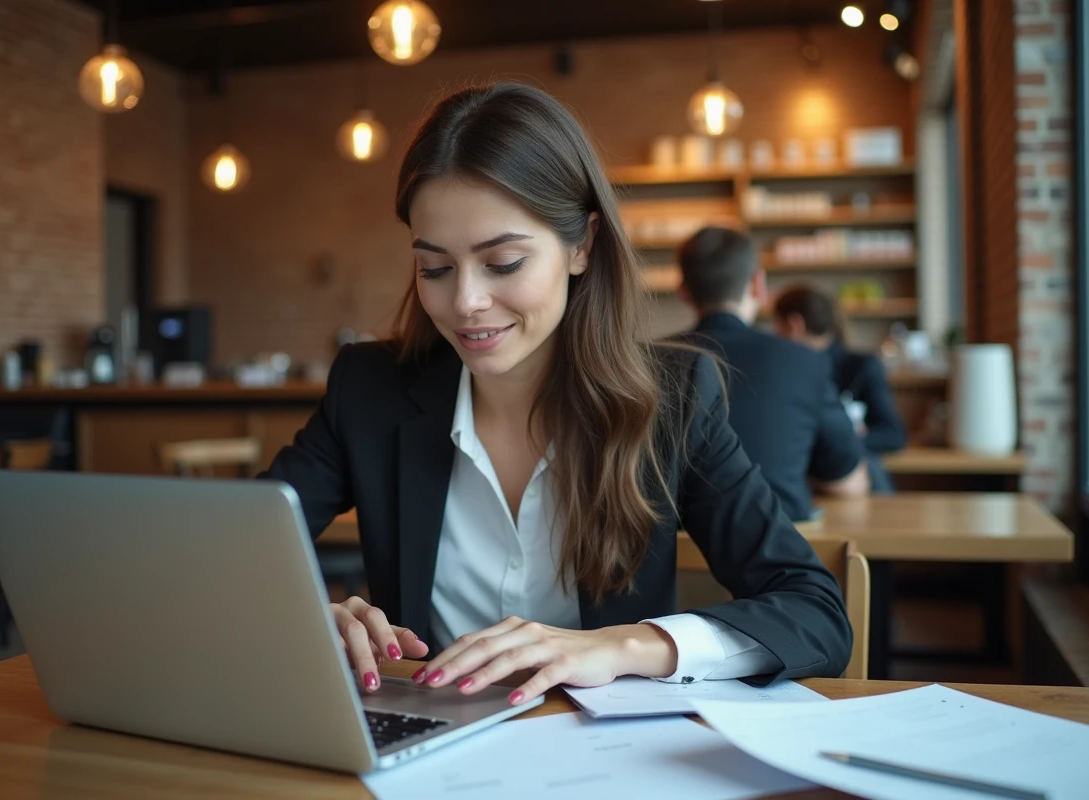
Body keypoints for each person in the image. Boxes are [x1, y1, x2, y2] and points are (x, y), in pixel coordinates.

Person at [261, 83, 850, 709]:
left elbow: (814, 613)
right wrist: (307, 616)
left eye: (505, 262)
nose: (465, 302)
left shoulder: (674, 400)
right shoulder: (369, 389)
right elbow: (220, 555)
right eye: (434, 268)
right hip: (426, 751)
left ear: (581, 245)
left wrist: (622, 646)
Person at [675, 227, 870, 523]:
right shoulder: (803, 361)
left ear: (684, 291)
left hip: (668, 561)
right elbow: (847, 483)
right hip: (773, 560)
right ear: (758, 284)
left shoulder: (647, 362)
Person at [772, 284, 907, 493]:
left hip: (849, 474)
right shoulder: (786, 371)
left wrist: (844, 441)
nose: (775, 336)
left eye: (776, 327)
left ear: (793, 325)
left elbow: (893, 435)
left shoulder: (861, 367)